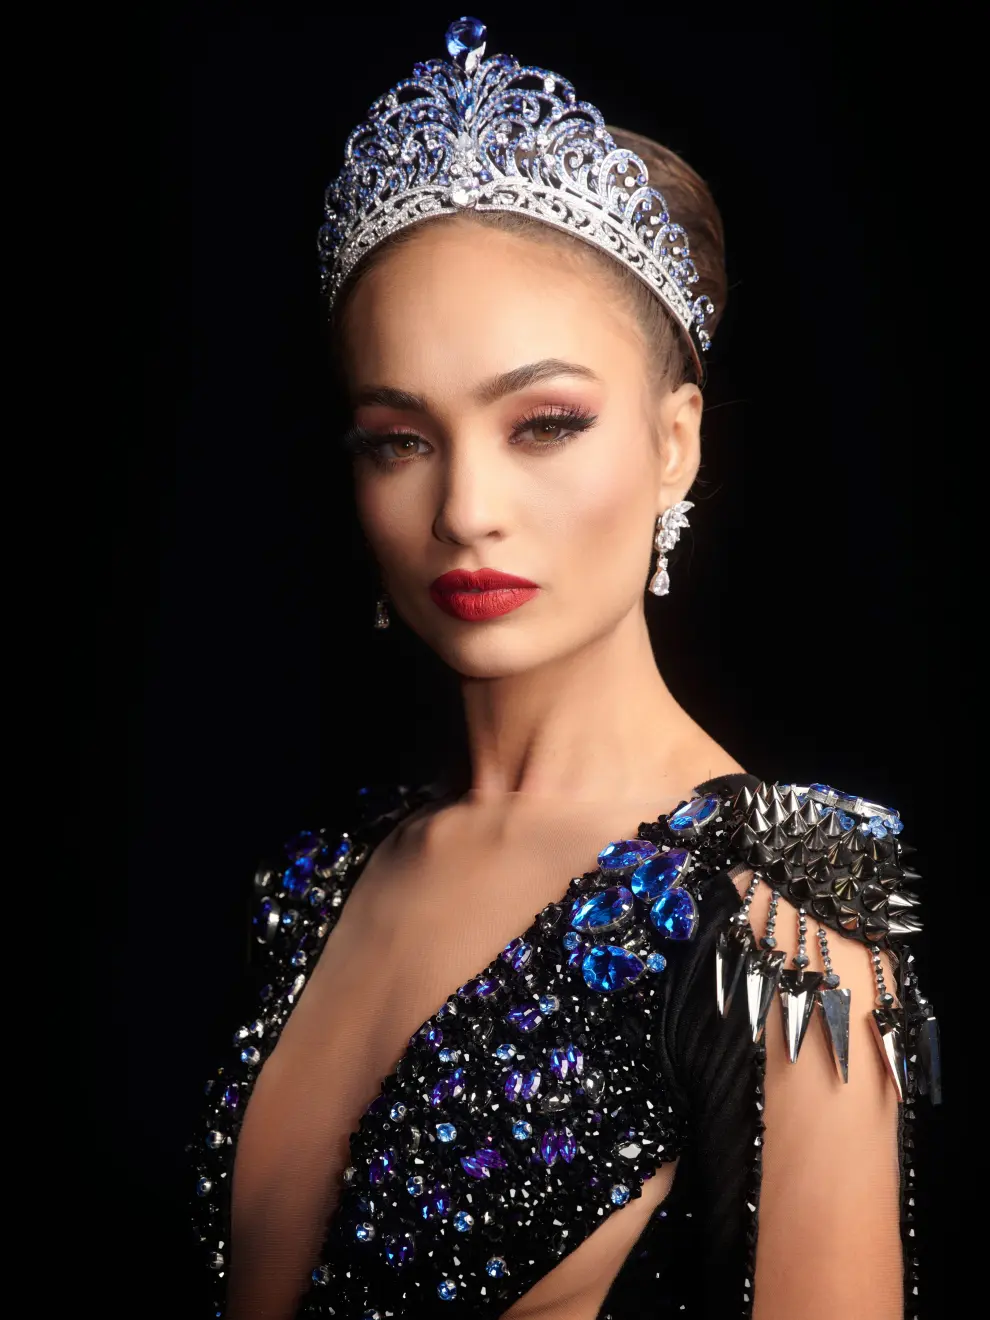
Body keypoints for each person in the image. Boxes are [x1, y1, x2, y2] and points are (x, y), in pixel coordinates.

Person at [189, 18, 938, 1319]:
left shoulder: (786, 899)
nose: (467, 507)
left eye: (543, 423)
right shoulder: (312, 881)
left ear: (673, 444)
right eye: (397, 439)